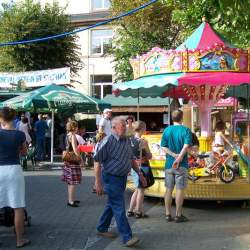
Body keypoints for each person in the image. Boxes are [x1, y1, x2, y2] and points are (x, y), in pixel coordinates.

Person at [94, 116, 146, 247]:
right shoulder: (107, 141)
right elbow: (97, 161)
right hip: (111, 177)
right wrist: (98, 182)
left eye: (125, 125)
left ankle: (101, 228)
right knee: (119, 207)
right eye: (122, 125)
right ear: (113, 128)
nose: (126, 127)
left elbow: (131, 159)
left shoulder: (126, 140)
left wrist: (140, 174)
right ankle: (127, 237)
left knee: (112, 204)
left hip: (121, 177)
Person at [0, 107, 31, 248]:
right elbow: (24, 153)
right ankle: (19, 240)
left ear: (1, 119)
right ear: (13, 118)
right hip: (14, 170)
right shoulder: (20, 135)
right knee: (17, 206)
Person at [161, 109, 192, 223]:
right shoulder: (186, 130)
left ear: (172, 118)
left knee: (168, 189)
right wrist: (179, 158)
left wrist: (173, 155)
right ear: (182, 118)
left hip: (169, 164)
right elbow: (186, 146)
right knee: (180, 190)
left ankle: (168, 214)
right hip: (182, 165)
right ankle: (178, 215)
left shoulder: (167, 130)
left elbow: (163, 146)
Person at [127, 121, 152, 218]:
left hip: (133, 166)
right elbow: (149, 156)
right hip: (143, 166)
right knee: (141, 190)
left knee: (137, 189)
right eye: (145, 128)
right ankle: (138, 211)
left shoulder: (130, 140)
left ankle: (130, 210)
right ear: (142, 129)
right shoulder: (143, 141)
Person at [61, 120, 84, 207]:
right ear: (74, 127)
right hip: (73, 159)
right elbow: (75, 149)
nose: (77, 128)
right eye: (76, 126)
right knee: (73, 181)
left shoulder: (67, 135)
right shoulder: (73, 136)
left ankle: (71, 199)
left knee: (70, 181)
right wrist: (80, 159)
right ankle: (71, 201)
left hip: (67, 159)